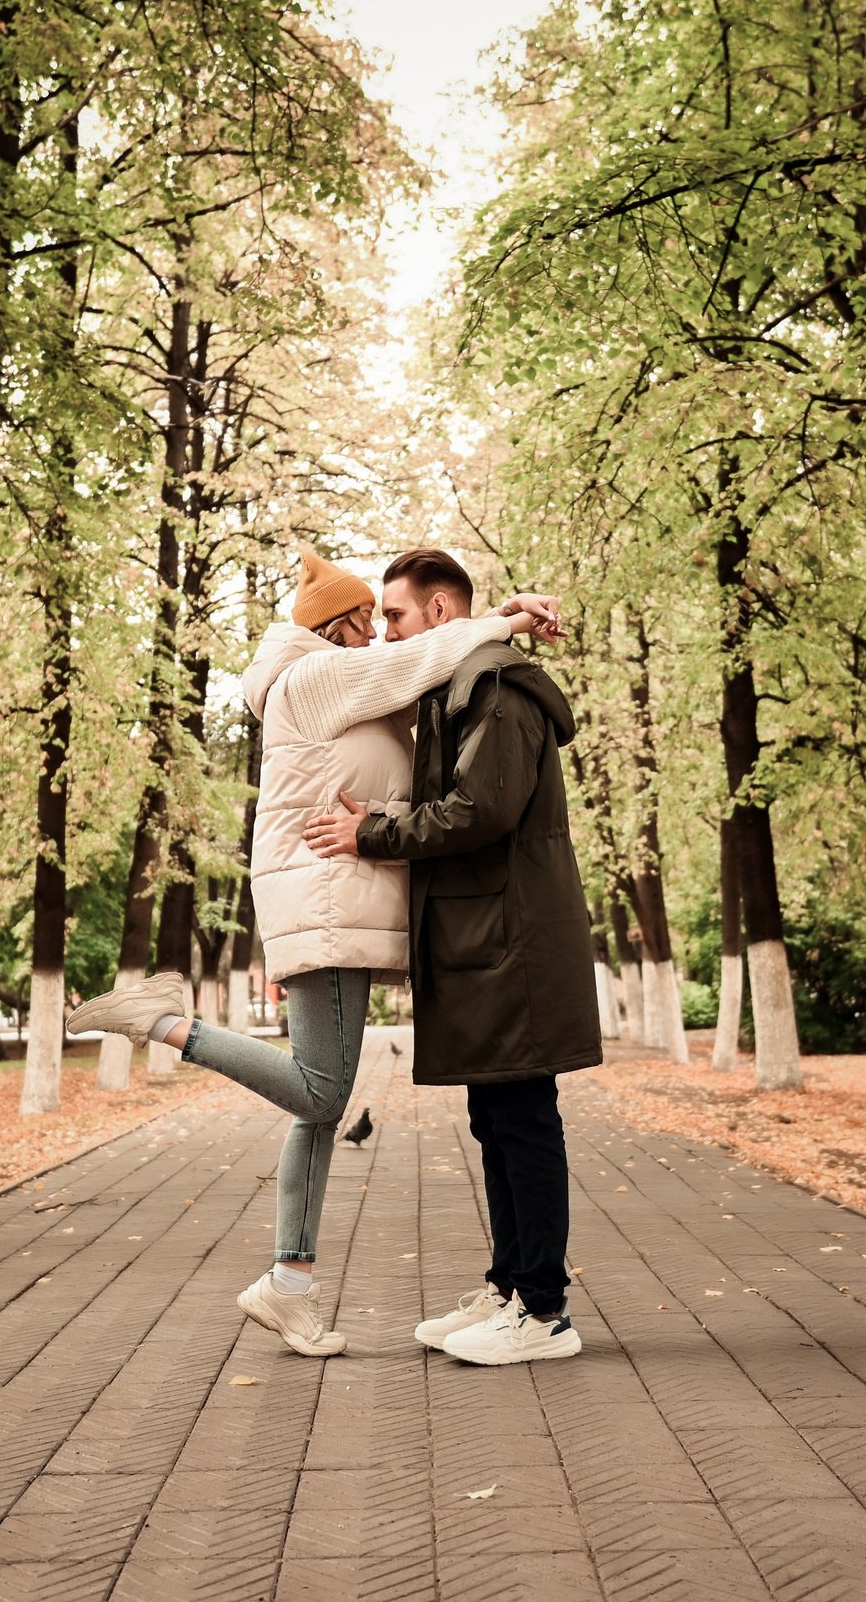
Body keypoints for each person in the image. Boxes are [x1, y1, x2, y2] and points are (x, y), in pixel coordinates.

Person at [66, 549, 559, 1356]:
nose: (377, 637)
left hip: (338, 908)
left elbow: (427, 672)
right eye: (368, 621)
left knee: (316, 1107)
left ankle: (288, 1287)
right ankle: (165, 1023)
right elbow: (422, 656)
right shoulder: (311, 678)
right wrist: (502, 619)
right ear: (337, 625)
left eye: (383, 620)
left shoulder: (337, 687)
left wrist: (498, 617)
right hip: (329, 907)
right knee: (322, 1092)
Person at [303, 548, 602, 1366]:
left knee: (523, 1121)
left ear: (441, 615)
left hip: (513, 942)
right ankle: (511, 1287)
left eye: (394, 616)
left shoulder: (495, 692)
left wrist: (372, 833)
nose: (384, 634)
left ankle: (543, 1312)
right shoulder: (457, 688)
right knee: (497, 1119)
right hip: (486, 940)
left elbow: (479, 810)